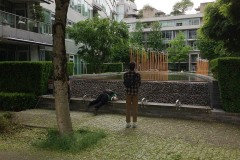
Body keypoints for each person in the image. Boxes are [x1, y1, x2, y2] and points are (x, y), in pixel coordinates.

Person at [123, 62, 141, 128]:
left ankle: (128, 123)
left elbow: (124, 83)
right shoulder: (138, 74)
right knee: (135, 108)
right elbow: (139, 84)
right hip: (135, 93)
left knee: (128, 108)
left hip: (128, 93)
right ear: (134, 67)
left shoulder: (125, 74)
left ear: (129, 67)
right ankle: (134, 123)